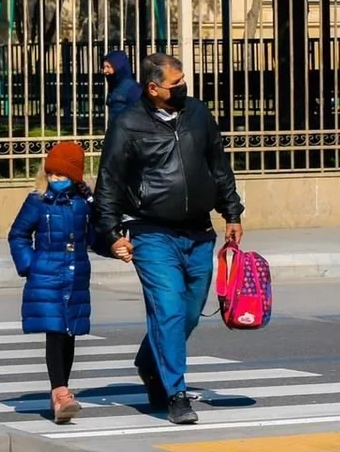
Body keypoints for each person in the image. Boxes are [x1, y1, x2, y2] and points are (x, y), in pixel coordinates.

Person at [93, 52, 244, 425]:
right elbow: (109, 180)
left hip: (198, 231)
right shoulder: (128, 124)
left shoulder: (197, 114)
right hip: (150, 230)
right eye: (175, 84)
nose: (182, 89)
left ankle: (149, 361)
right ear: (154, 88)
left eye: (182, 83)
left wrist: (232, 211)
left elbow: (218, 164)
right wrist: (112, 233)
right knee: (169, 310)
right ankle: (174, 393)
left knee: (189, 312)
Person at [8, 141, 95, 425]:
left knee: (69, 333)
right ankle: (60, 393)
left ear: (75, 176)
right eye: (52, 175)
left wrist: (119, 246)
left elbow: (95, 237)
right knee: (55, 333)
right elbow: (18, 235)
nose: (56, 180)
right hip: (46, 275)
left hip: (76, 275)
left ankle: (62, 393)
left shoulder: (85, 203)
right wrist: (29, 265)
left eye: (62, 176)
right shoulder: (38, 200)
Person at [102, 49, 143, 121]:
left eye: (108, 67)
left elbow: (140, 113)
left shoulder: (132, 88)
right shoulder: (114, 86)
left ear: (118, 67)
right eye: (104, 67)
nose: (105, 71)